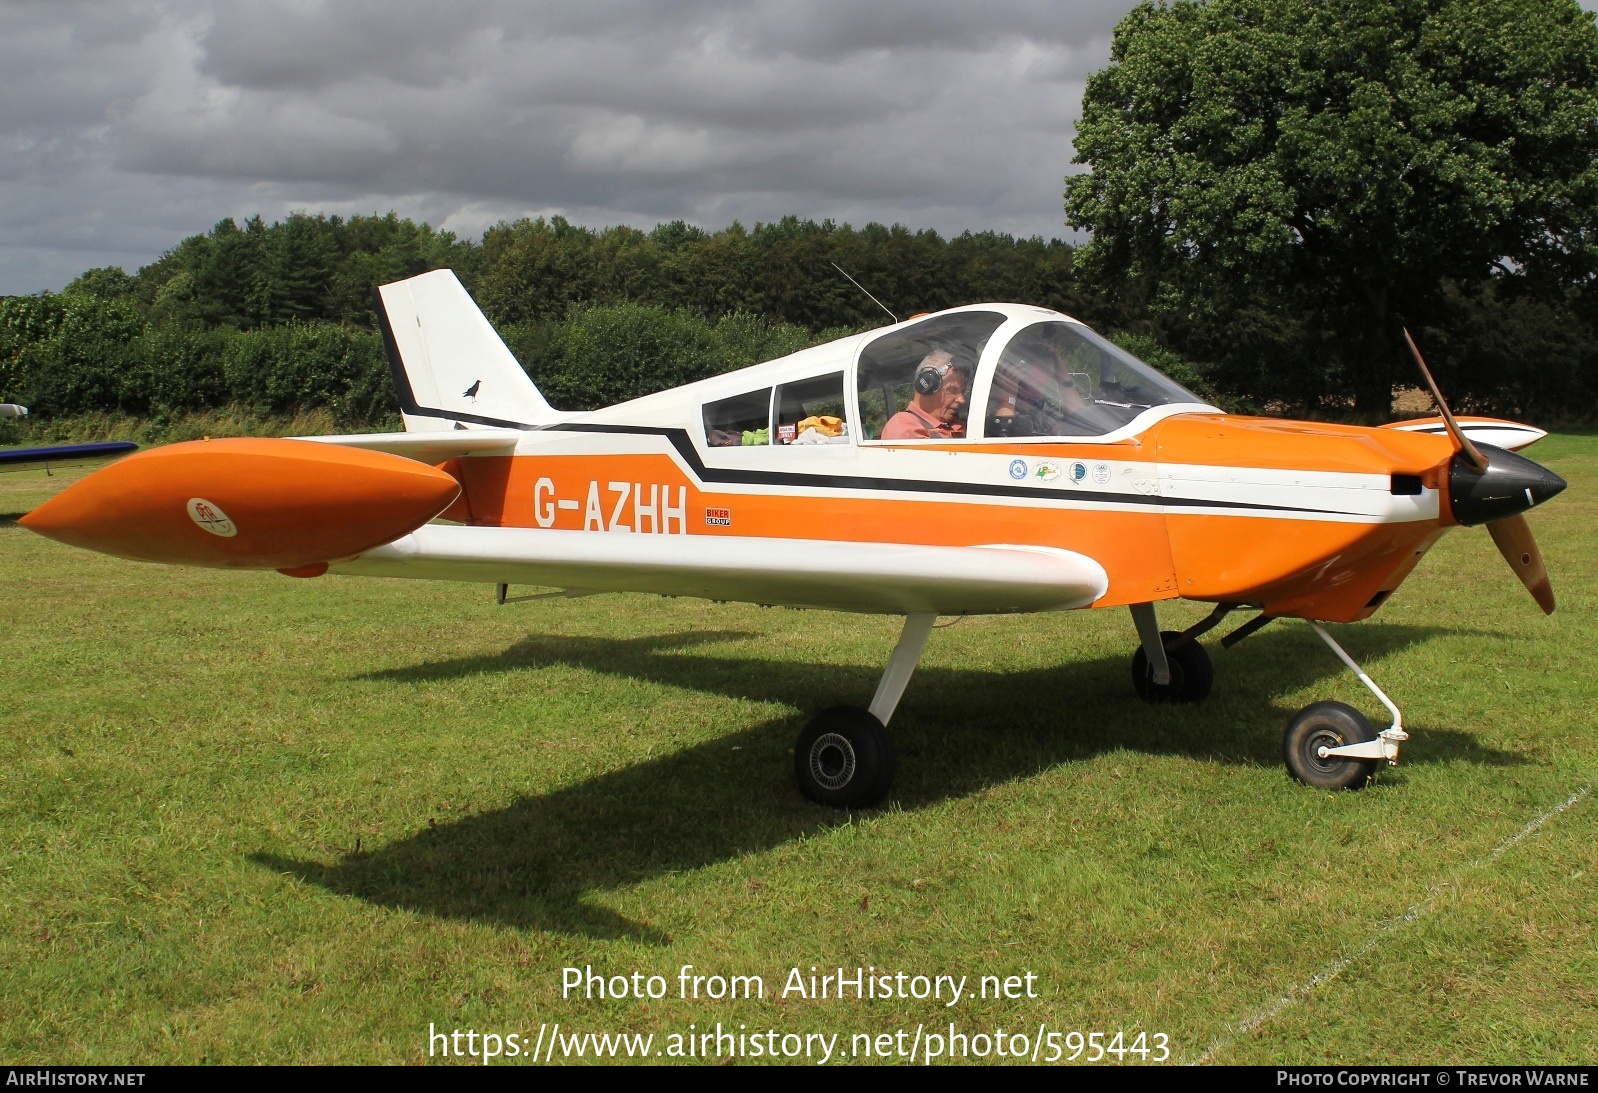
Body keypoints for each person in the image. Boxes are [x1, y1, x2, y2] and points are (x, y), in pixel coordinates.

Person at [881, 350, 968, 439]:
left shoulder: (955, 423)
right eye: (952, 390)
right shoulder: (904, 427)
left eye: (962, 391)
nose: (961, 399)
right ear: (927, 387)